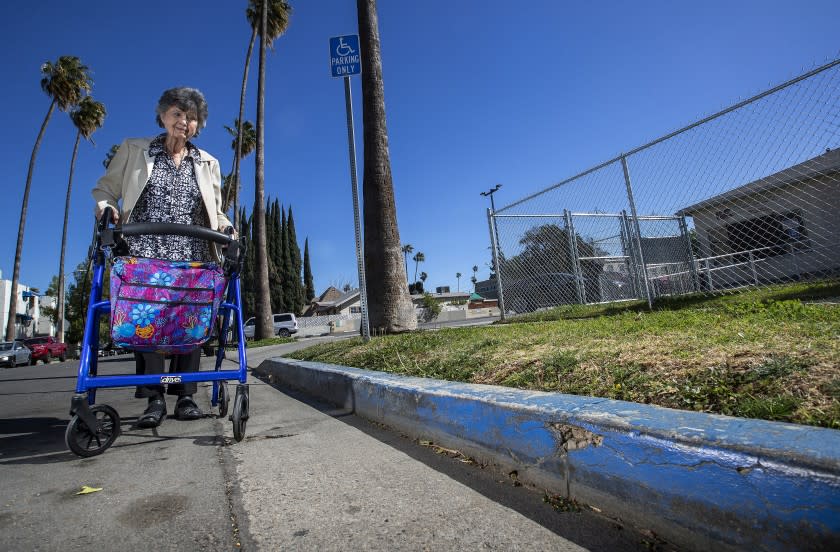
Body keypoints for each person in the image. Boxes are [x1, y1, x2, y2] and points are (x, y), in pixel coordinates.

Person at [92, 87, 234, 428]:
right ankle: (154, 400)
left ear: (198, 125)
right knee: (147, 324)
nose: (183, 121)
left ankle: (185, 397)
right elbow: (104, 190)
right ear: (163, 116)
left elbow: (215, 211)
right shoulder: (135, 149)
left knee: (191, 321)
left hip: (193, 255)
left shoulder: (208, 163)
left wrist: (229, 231)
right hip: (145, 253)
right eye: (177, 113)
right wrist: (107, 208)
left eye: (191, 117)